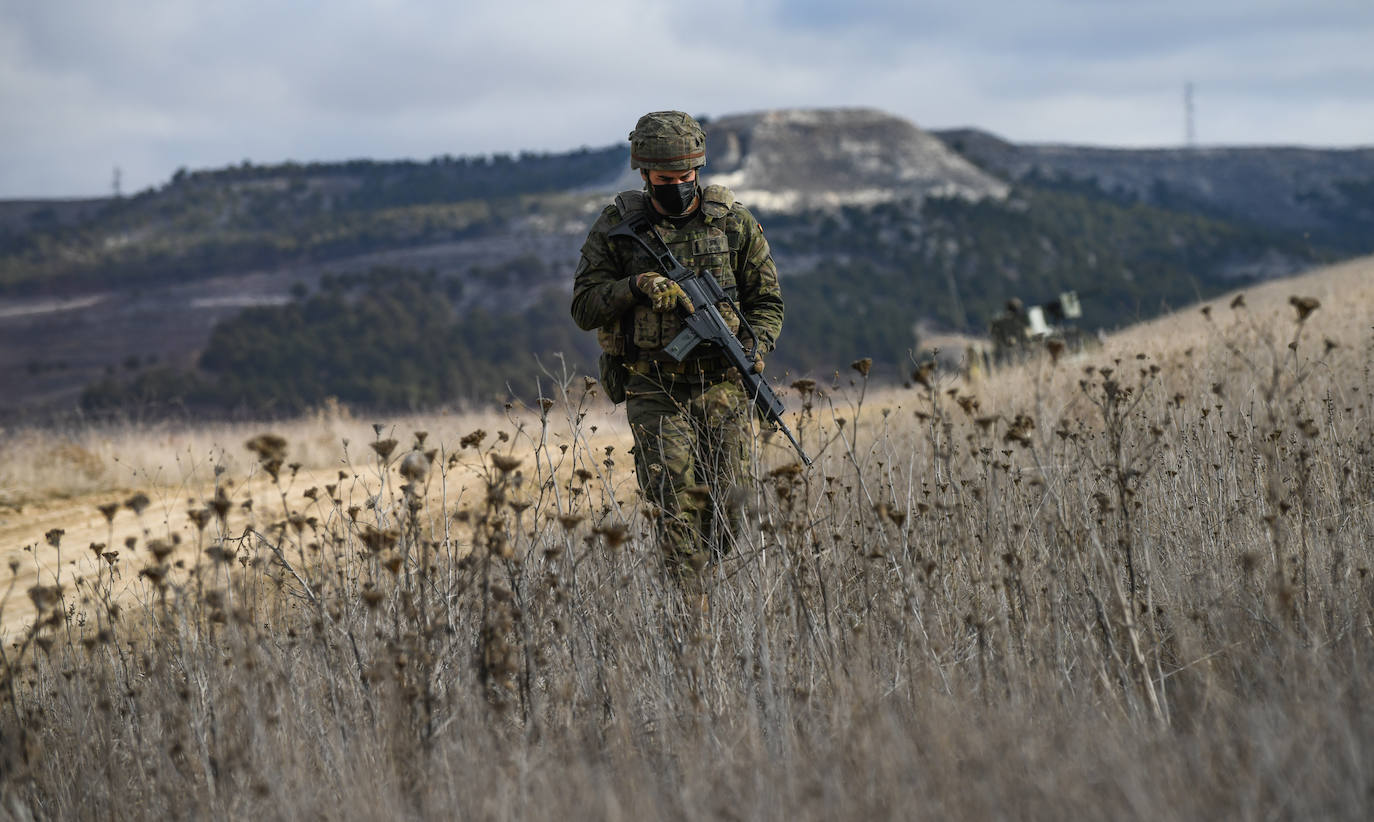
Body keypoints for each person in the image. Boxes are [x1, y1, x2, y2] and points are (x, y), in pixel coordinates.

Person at [570, 110, 785, 591]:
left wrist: (756, 344)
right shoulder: (616, 227)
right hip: (654, 385)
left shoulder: (732, 224)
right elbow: (584, 307)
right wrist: (637, 285)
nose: (678, 187)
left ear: (699, 170)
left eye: (686, 177)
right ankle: (691, 613)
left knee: (731, 505)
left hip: (722, 384)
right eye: (666, 179)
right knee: (676, 504)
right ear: (645, 174)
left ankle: (704, 577)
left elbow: (767, 302)